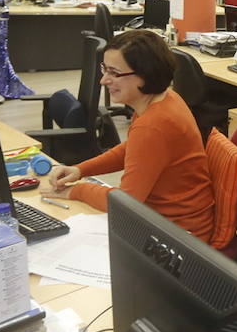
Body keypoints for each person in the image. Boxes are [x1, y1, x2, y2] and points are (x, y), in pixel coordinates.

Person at [42, 30, 215, 243]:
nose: (104, 80)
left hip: (180, 236)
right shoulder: (164, 98)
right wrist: (81, 170)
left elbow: (126, 203)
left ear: (146, 75)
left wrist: (77, 191)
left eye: (114, 73)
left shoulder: (153, 126)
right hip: (173, 221)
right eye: (104, 69)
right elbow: (133, 149)